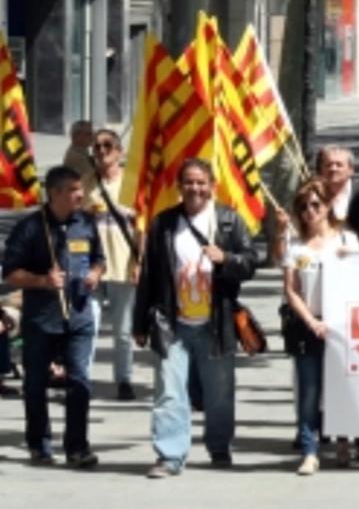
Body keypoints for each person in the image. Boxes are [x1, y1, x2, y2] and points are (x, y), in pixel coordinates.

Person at [132, 158, 258, 477]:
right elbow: (149, 275)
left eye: (201, 182)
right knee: (169, 391)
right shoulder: (163, 224)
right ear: (180, 187)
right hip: (171, 324)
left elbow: (252, 261)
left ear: (212, 186)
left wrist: (226, 258)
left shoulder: (228, 221)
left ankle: (219, 447)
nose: (195, 188)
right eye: (189, 182)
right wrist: (139, 323)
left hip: (216, 323)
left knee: (219, 393)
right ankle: (170, 455)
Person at [2, 166, 106, 467]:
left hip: (80, 315)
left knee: (80, 381)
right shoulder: (32, 228)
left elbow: (99, 259)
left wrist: (95, 274)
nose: (81, 194)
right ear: (56, 193)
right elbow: (10, 272)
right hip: (41, 319)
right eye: (74, 189)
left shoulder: (85, 222)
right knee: (35, 383)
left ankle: (77, 446)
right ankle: (39, 443)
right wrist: (42, 282)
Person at [281, 179, 359, 476]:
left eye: (316, 204)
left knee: (342, 386)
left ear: (328, 206)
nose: (310, 211)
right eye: (303, 207)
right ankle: (309, 450)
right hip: (309, 325)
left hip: (341, 325)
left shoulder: (346, 241)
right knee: (309, 391)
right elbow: (291, 290)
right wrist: (311, 321)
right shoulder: (296, 247)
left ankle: (343, 441)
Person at [85, 128, 142, 400]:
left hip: (122, 266)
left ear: (119, 151)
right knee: (87, 327)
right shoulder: (86, 184)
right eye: (97, 147)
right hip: (91, 269)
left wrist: (139, 262)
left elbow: (143, 227)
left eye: (108, 146)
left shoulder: (132, 184)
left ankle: (124, 380)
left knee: (122, 331)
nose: (102, 151)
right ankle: (81, 380)